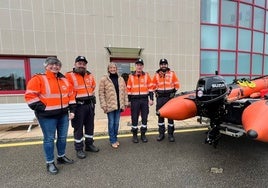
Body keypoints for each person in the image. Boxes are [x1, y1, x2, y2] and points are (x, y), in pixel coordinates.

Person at [25, 57, 76, 175]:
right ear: (46, 66)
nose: (55, 66)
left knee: (63, 138)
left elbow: (71, 95)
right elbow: (30, 96)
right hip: (47, 116)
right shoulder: (38, 78)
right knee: (49, 139)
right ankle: (50, 162)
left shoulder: (64, 80)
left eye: (57, 64)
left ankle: (61, 157)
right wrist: (43, 109)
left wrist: (72, 110)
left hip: (63, 115)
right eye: (52, 64)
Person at [65, 56, 99, 159]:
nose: (82, 65)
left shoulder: (89, 75)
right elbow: (68, 91)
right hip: (78, 105)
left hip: (89, 105)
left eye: (84, 64)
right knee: (78, 128)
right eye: (80, 63)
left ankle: (89, 145)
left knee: (90, 126)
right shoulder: (69, 75)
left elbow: (93, 86)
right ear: (75, 64)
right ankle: (79, 149)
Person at [98, 63, 128, 148]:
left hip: (118, 105)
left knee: (116, 123)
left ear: (116, 69)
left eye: (114, 67)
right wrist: (103, 105)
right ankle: (112, 140)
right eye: (111, 68)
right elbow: (101, 93)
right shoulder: (104, 79)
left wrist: (125, 103)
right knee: (111, 123)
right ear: (108, 69)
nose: (113, 69)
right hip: (109, 106)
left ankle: (115, 138)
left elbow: (125, 92)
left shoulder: (121, 79)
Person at [152, 58, 180, 142]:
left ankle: (171, 134)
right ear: (160, 65)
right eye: (162, 64)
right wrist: (155, 91)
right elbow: (153, 85)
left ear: (167, 65)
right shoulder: (156, 74)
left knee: (170, 116)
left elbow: (177, 84)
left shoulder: (172, 74)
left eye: (165, 64)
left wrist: (174, 92)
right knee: (160, 116)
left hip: (169, 97)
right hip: (160, 98)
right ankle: (161, 134)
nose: (163, 65)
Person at [127, 58, 154, 143]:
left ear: (143, 66)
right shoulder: (130, 76)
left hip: (144, 100)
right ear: (135, 66)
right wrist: (129, 101)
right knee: (134, 118)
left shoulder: (146, 76)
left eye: (140, 65)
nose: (139, 66)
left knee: (144, 118)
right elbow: (128, 90)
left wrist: (151, 99)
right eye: (138, 65)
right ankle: (135, 135)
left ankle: (143, 134)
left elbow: (150, 88)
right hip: (134, 100)